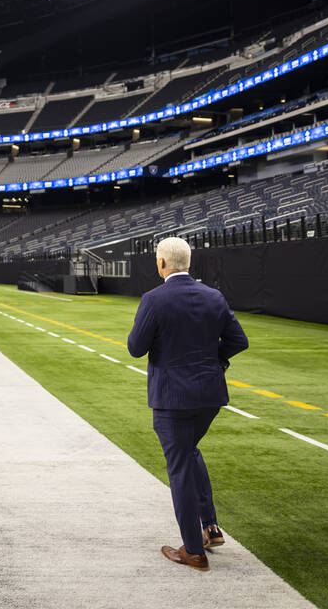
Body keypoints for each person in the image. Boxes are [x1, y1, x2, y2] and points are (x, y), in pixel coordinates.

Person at [127, 236, 248, 572]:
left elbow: (136, 348)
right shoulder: (214, 296)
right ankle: (210, 526)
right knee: (189, 451)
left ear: (162, 263)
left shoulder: (154, 298)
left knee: (179, 467)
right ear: (188, 262)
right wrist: (215, 361)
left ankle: (194, 551)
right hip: (209, 396)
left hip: (172, 398)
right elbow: (239, 340)